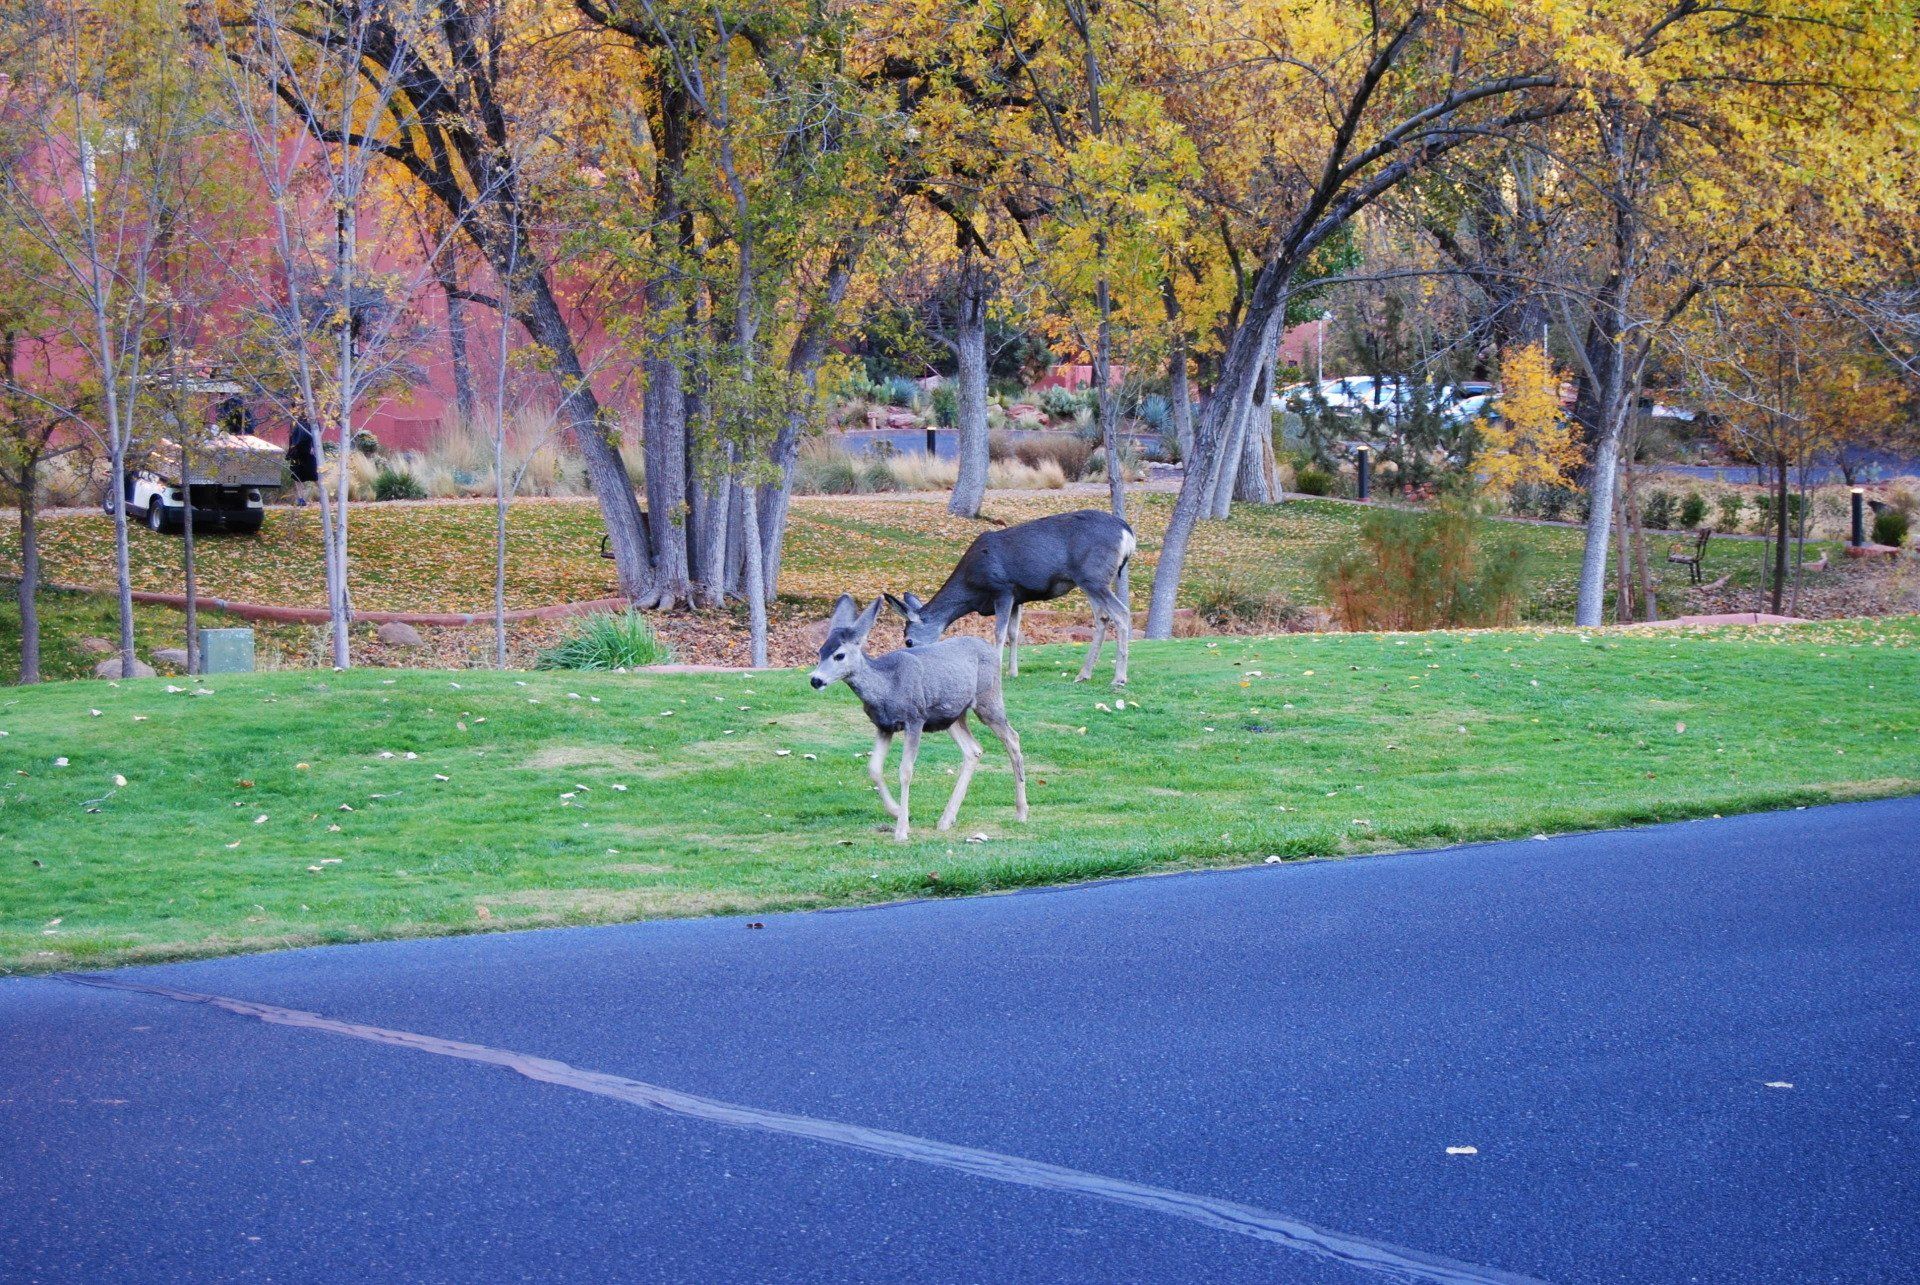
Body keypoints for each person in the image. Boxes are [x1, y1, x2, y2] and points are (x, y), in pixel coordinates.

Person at [287, 415, 320, 507]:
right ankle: (300, 499)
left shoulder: (312, 419)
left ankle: (323, 497)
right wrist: (290, 451)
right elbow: (292, 436)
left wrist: (313, 446)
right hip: (297, 452)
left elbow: (317, 434)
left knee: (314, 475)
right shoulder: (294, 420)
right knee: (297, 476)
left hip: (309, 452)